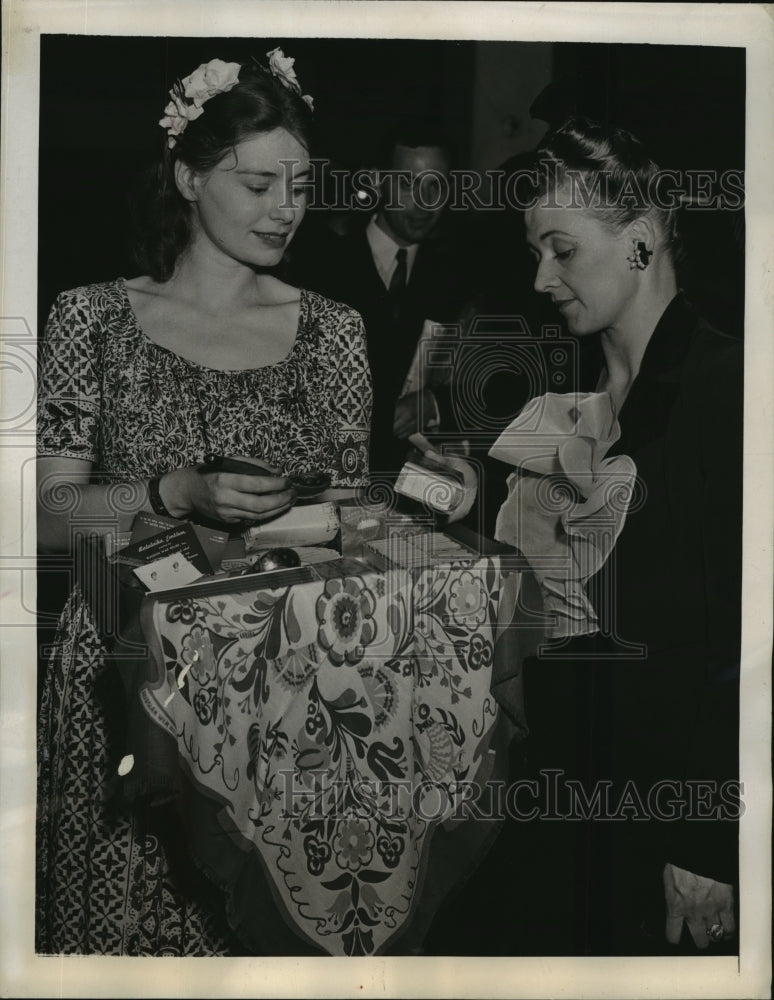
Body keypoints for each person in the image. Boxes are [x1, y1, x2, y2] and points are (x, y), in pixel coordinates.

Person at [35, 51, 372, 956]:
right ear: (187, 176)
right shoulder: (88, 318)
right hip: (121, 680)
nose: (287, 208)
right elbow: (46, 514)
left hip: (281, 693)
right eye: (259, 182)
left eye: (300, 185)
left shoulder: (336, 334)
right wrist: (169, 491)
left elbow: (351, 528)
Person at [424, 116, 742, 956]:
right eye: (536, 252)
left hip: (667, 818)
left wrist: (710, 844)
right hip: (575, 787)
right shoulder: (578, 393)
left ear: (640, 244)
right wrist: (476, 496)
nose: (540, 278)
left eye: (561, 250)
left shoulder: (725, 389)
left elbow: (743, 649)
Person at [289, 117, 475, 476]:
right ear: (377, 180)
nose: (424, 202)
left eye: (437, 185)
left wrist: (438, 404)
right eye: (407, 183)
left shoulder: (459, 274)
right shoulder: (317, 262)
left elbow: (494, 380)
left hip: (413, 481)